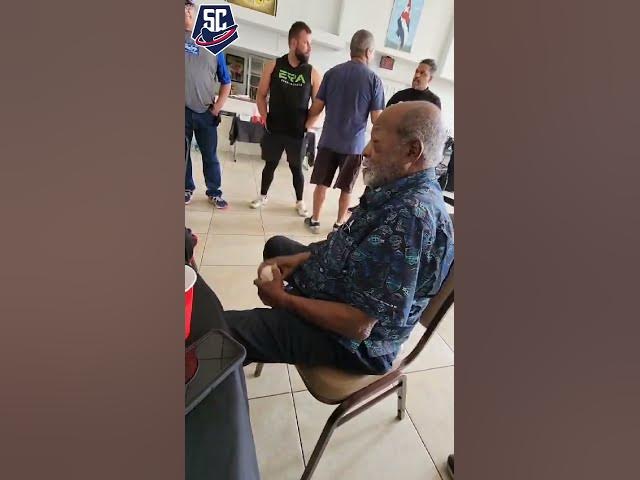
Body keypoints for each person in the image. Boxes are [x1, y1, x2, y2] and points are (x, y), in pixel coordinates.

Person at [225, 102, 454, 374]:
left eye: (376, 142)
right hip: (346, 290)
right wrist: (303, 258)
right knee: (278, 246)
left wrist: (284, 301)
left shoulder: (410, 218)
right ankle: (272, 328)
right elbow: (347, 242)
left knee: (226, 332)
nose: (365, 151)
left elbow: (359, 326)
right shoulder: (397, 187)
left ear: (412, 150)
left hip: (355, 344)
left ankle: (238, 351)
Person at [303, 30, 385, 234]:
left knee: (321, 184)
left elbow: (316, 108)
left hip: (328, 141)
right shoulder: (374, 80)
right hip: (353, 146)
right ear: (368, 51)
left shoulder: (332, 73)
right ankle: (339, 224)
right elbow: (377, 120)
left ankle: (315, 220)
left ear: (351, 49)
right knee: (346, 188)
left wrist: (301, 121)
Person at [250, 21, 322, 217]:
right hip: (274, 129)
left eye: (310, 43)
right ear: (293, 43)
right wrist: (264, 117)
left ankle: (300, 201)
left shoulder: (312, 73)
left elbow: (319, 105)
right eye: (306, 43)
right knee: (270, 164)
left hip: (297, 133)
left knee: (296, 168)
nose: (309, 48)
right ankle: (263, 195)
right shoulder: (274, 66)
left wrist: (308, 125)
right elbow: (261, 95)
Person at [184, 0, 231, 208]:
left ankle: (214, 191)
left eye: (188, 6)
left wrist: (217, 108)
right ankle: (186, 188)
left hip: (206, 112)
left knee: (210, 155)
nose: (185, 10)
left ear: (194, 10)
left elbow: (226, 81)